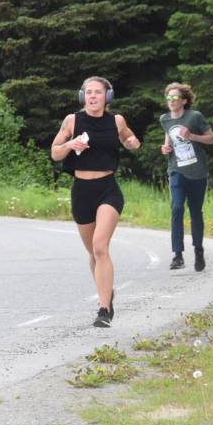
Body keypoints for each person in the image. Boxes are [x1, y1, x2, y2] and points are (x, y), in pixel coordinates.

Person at [51, 77, 141, 327]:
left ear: (106, 97)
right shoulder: (72, 120)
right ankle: (106, 293)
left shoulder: (116, 120)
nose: (92, 97)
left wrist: (132, 143)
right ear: (83, 97)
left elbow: (129, 138)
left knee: (101, 247)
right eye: (88, 92)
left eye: (97, 93)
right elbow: (55, 152)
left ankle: (103, 310)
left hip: (107, 189)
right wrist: (70, 144)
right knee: (92, 251)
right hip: (81, 191)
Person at [159, 82, 213, 271]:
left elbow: (211, 138)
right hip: (176, 170)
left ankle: (198, 250)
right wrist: (165, 147)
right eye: (169, 97)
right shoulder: (165, 119)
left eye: (175, 97)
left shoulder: (195, 117)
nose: (171, 101)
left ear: (183, 101)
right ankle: (177, 255)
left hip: (197, 172)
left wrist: (192, 136)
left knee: (195, 212)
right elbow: (169, 135)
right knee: (176, 209)